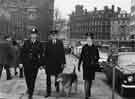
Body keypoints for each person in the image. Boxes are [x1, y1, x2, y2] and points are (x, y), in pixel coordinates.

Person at [20, 28, 43, 99]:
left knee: (33, 79)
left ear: (37, 35)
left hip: (35, 65)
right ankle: (29, 89)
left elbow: (41, 55)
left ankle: (30, 93)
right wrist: (20, 62)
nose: (33, 35)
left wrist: (41, 64)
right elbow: (22, 53)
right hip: (26, 64)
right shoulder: (26, 42)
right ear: (30, 35)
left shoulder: (39, 44)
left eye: (34, 34)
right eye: (32, 34)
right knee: (27, 79)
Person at [44, 30, 66, 97]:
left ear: (56, 36)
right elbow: (45, 54)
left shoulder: (60, 43)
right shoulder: (48, 43)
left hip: (57, 64)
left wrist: (63, 63)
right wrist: (44, 63)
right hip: (49, 64)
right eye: (52, 35)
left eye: (55, 35)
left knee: (57, 77)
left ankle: (57, 87)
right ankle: (48, 92)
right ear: (51, 36)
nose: (53, 36)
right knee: (48, 79)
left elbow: (62, 53)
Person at [78, 32, 99, 99]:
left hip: (92, 67)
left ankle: (88, 92)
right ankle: (86, 95)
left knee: (90, 81)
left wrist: (95, 59)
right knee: (86, 80)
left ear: (92, 40)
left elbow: (98, 57)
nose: (88, 40)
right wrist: (79, 65)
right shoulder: (84, 47)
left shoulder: (95, 48)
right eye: (87, 39)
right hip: (86, 67)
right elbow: (81, 56)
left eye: (89, 39)